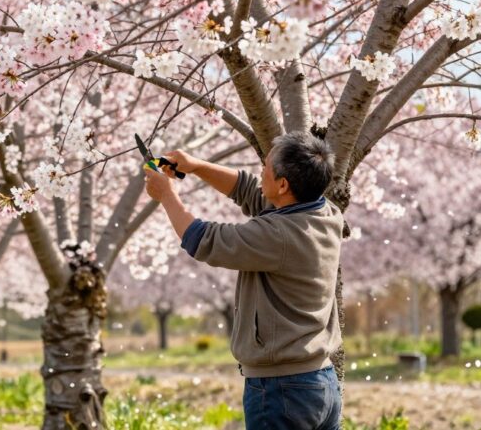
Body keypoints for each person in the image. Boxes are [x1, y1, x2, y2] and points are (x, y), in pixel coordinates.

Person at [144, 131, 344, 430]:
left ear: (283, 184)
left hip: (281, 388)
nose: (259, 173)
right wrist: (195, 165)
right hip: (320, 381)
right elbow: (249, 190)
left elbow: (204, 240)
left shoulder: (278, 235)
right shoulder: (324, 212)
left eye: (265, 167)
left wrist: (166, 195)